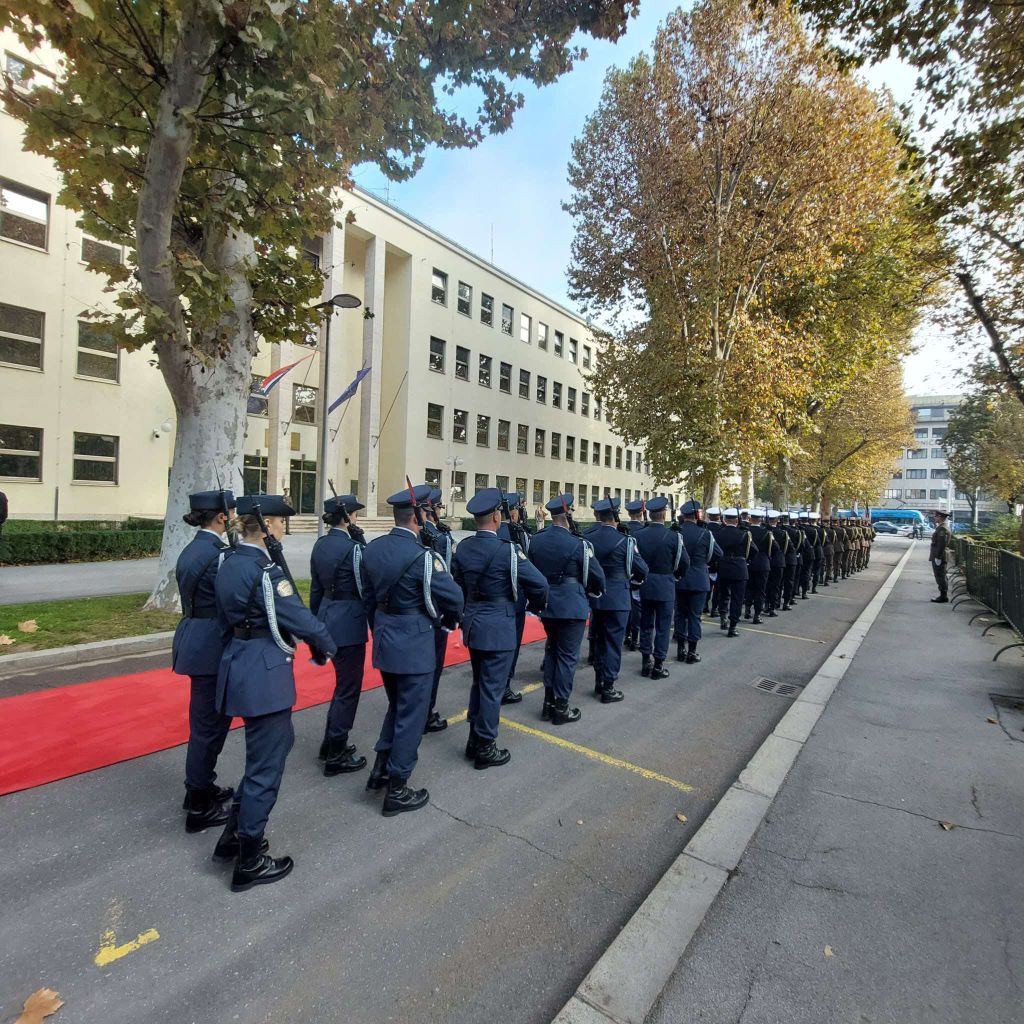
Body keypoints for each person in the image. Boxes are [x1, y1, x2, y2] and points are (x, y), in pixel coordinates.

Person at [214, 494, 336, 892]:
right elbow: (300, 619)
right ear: (267, 526)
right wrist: (326, 644)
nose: (283, 527)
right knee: (267, 765)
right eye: (281, 522)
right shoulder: (266, 572)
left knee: (269, 753)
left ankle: (233, 835)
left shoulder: (229, 562)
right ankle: (249, 859)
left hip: (238, 665)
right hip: (264, 675)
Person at [361, 484, 464, 815]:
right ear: (419, 516)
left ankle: (380, 768)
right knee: (411, 715)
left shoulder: (372, 549)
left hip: (386, 640)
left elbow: (367, 598)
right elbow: (454, 599)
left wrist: (380, 629)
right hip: (415, 643)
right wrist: (449, 622)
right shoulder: (424, 557)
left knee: (397, 708)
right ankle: (397, 787)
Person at [453, 488, 548, 768]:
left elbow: (457, 584)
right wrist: (536, 605)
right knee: (492, 688)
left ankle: (474, 738)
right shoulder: (508, 551)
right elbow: (540, 584)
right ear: (496, 517)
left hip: (474, 622)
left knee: (479, 682)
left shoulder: (465, 547)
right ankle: (485, 746)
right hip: (498, 624)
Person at [172, 488, 237, 834]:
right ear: (221, 517)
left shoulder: (193, 549)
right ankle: (198, 803)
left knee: (206, 724)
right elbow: (231, 603)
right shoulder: (220, 555)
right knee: (210, 726)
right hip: (212, 644)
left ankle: (202, 784)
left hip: (195, 639)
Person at [309, 493, 373, 777]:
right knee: (348, 689)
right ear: (349, 518)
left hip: (326, 617)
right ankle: (336, 751)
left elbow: (315, 590)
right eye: (355, 513)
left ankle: (329, 742)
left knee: (341, 686)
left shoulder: (320, 545)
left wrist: (315, 625)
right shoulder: (354, 549)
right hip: (349, 624)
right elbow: (365, 588)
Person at [528, 493, 605, 724]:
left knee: (552, 651)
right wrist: (594, 591)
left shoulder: (537, 540)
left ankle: (548, 703)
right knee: (567, 657)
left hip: (548, 605)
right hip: (572, 606)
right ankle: (561, 707)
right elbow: (597, 577)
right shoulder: (578, 544)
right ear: (568, 514)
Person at [588, 496, 648, 701]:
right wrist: (635, 580)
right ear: (614, 516)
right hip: (618, 598)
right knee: (613, 642)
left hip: (596, 597)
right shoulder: (626, 541)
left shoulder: (589, 539)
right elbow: (642, 569)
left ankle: (598, 680)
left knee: (598, 640)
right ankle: (608, 686)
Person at [635, 495, 689, 678]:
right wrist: (676, 575)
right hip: (665, 584)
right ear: (664, 515)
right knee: (663, 627)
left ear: (649, 515)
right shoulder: (674, 537)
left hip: (645, 584)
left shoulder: (638, 535)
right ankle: (658, 665)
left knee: (646, 624)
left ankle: (645, 661)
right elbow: (684, 562)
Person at [421, 487, 456, 735]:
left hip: (410, 615)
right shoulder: (440, 539)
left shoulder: (412, 535)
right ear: (430, 510)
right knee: (432, 666)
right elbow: (445, 576)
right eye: (439, 507)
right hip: (434, 613)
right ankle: (426, 712)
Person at [674, 500, 721, 663]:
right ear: (697, 515)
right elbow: (718, 553)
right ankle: (692, 652)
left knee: (680, 614)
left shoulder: (676, 532)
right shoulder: (705, 533)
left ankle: (680, 648)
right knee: (694, 616)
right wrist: (704, 562)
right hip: (699, 578)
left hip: (679, 579)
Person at [497, 492, 531, 704]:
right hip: (514, 599)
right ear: (514, 511)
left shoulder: (490, 533)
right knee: (511, 645)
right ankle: (505, 684)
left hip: (486, 604)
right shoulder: (518, 535)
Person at [717, 508, 754, 637]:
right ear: (737, 520)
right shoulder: (744, 534)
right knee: (737, 598)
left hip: (723, 566)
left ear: (725, 520)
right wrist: (745, 559)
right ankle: (732, 626)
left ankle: (723, 617)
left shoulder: (718, 533)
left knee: (723, 594)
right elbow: (753, 550)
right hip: (739, 567)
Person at [622, 499, 647, 650]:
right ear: (641, 513)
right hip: (638, 574)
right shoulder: (643, 531)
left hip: (624, 574)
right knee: (636, 607)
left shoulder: (623, 529)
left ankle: (627, 634)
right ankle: (635, 637)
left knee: (627, 606)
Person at [743, 509, 774, 624]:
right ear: (761, 520)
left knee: (749, 588)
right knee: (760, 591)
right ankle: (757, 614)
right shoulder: (767, 533)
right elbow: (773, 548)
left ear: (750, 519)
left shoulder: (746, 531)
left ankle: (747, 610)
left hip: (749, 563)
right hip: (762, 564)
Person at [930, 510, 952, 603]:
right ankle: (943, 595)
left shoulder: (942, 529)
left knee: (940, 575)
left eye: (936, 516)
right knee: (940, 575)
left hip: (940, 555)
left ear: (940, 517)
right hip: (939, 555)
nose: (935, 518)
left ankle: (943, 596)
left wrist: (938, 557)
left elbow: (941, 544)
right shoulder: (941, 527)